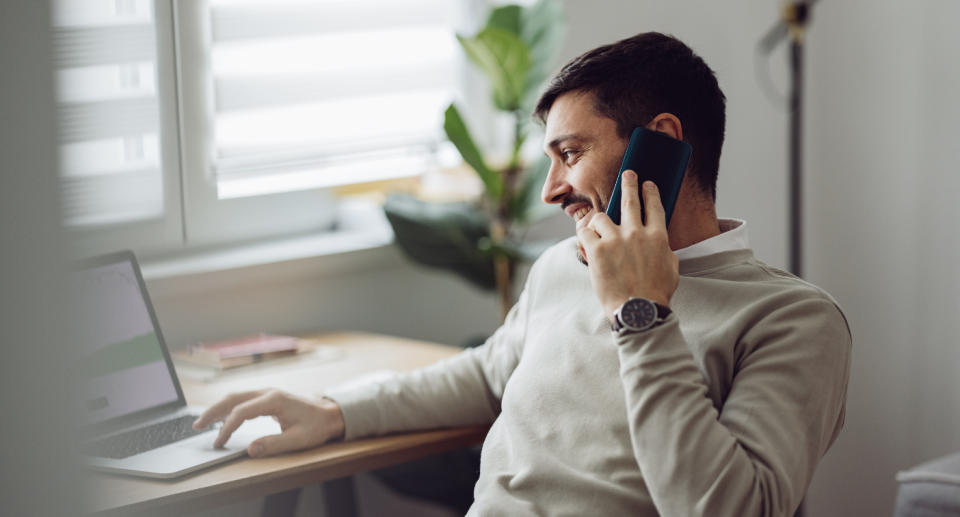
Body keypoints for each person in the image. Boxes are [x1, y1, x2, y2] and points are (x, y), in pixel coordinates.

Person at [194, 32, 851, 516]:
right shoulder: (562, 269)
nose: (551, 190)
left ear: (663, 142)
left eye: (571, 153)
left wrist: (640, 311)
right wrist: (336, 411)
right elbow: (485, 372)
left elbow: (732, 509)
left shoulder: (793, 320)